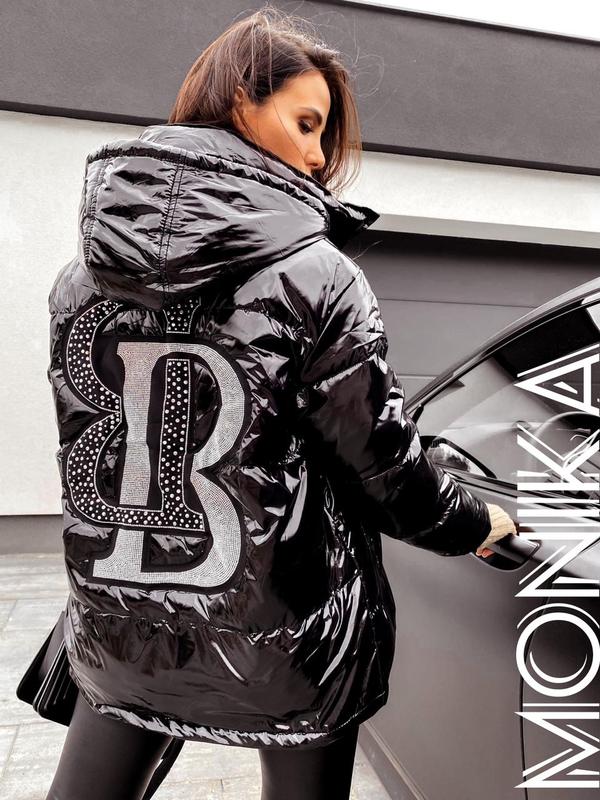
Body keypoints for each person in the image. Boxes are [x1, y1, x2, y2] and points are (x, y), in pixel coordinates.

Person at [44, 5, 516, 799]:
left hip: (122, 624)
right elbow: (382, 466)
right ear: (240, 101)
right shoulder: (318, 276)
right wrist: (474, 522)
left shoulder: (78, 277)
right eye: (306, 123)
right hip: (285, 641)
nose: (319, 156)